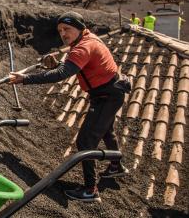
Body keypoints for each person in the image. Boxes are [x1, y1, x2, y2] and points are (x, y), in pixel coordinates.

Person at [9, 12, 130, 203]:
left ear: (80, 28)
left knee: (85, 142)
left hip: (106, 96)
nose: (63, 34)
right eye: (60, 31)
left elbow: (62, 74)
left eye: (67, 29)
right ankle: (116, 166)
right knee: (107, 130)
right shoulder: (89, 38)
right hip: (111, 91)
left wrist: (26, 79)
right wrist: (57, 64)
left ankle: (91, 190)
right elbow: (73, 66)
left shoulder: (82, 47)